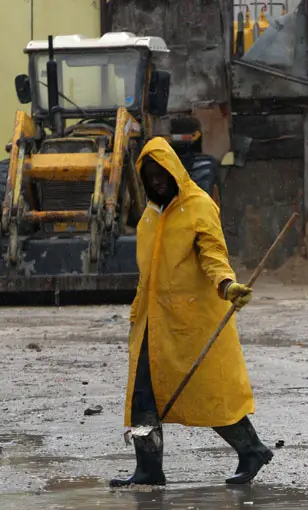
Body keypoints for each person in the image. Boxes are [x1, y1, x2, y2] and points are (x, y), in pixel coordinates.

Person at [109, 137, 273, 488]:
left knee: (208, 392)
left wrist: (227, 285)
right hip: (154, 323)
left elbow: (213, 253)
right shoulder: (150, 216)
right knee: (143, 395)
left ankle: (252, 449)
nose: (156, 181)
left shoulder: (199, 206)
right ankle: (149, 469)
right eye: (149, 176)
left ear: (174, 171)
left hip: (193, 321)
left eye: (161, 174)